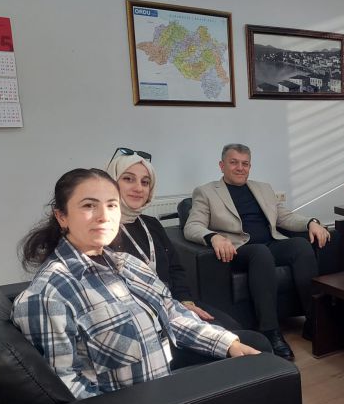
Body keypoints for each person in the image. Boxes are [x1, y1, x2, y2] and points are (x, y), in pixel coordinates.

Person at [12, 168, 333, 404]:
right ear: (62, 216)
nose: (103, 216)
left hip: (162, 368)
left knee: (253, 346)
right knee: (252, 368)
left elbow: (172, 313)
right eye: (88, 205)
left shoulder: (124, 263)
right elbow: (69, 394)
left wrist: (227, 343)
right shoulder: (48, 295)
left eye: (111, 205)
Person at [106, 150, 273, 366]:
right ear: (110, 183)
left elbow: (175, 268)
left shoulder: (151, 224)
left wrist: (186, 301)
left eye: (145, 182)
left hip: (174, 304)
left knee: (236, 329)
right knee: (252, 345)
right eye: (128, 179)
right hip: (144, 321)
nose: (138, 188)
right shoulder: (103, 231)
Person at [183, 143, 331, 361]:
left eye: (245, 164)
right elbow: (192, 226)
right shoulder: (206, 192)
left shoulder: (263, 188)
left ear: (250, 166)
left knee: (300, 246)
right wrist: (213, 237)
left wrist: (311, 222)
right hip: (238, 250)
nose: (240, 168)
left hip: (271, 243)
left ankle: (313, 321)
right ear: (222, 165)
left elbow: (285, 217)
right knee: (260, 253)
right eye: (234, 162)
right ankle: (270, 331)